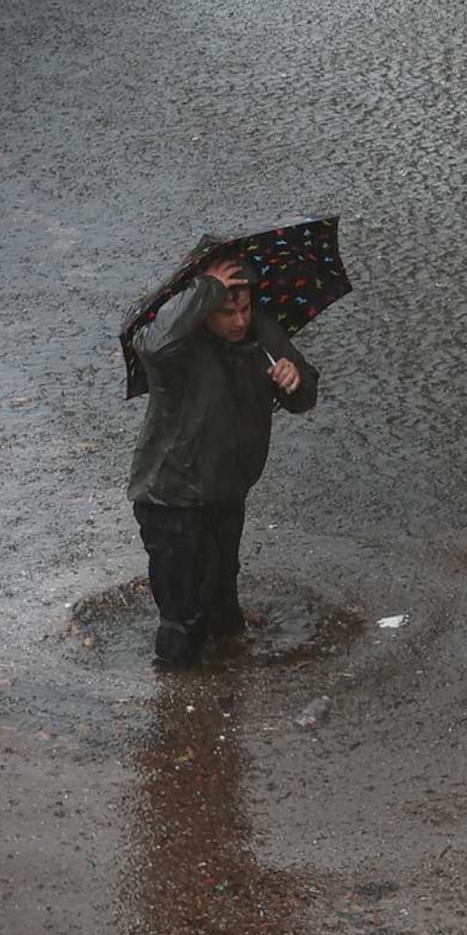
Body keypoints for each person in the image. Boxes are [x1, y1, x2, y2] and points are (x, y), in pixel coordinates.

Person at [128, 252, 320, 668]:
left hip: (227, 489)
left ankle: (226, 686)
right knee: (182, 619)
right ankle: (176, 703)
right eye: (225, 311)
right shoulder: (178, 346)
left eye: (245, 308)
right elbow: (152, 345)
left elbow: (305, 395)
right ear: (201, 308)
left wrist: (294, 379)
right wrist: (204, 289)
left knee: (223, 606)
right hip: (171, 496)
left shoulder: (262, 335)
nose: (239, 321)